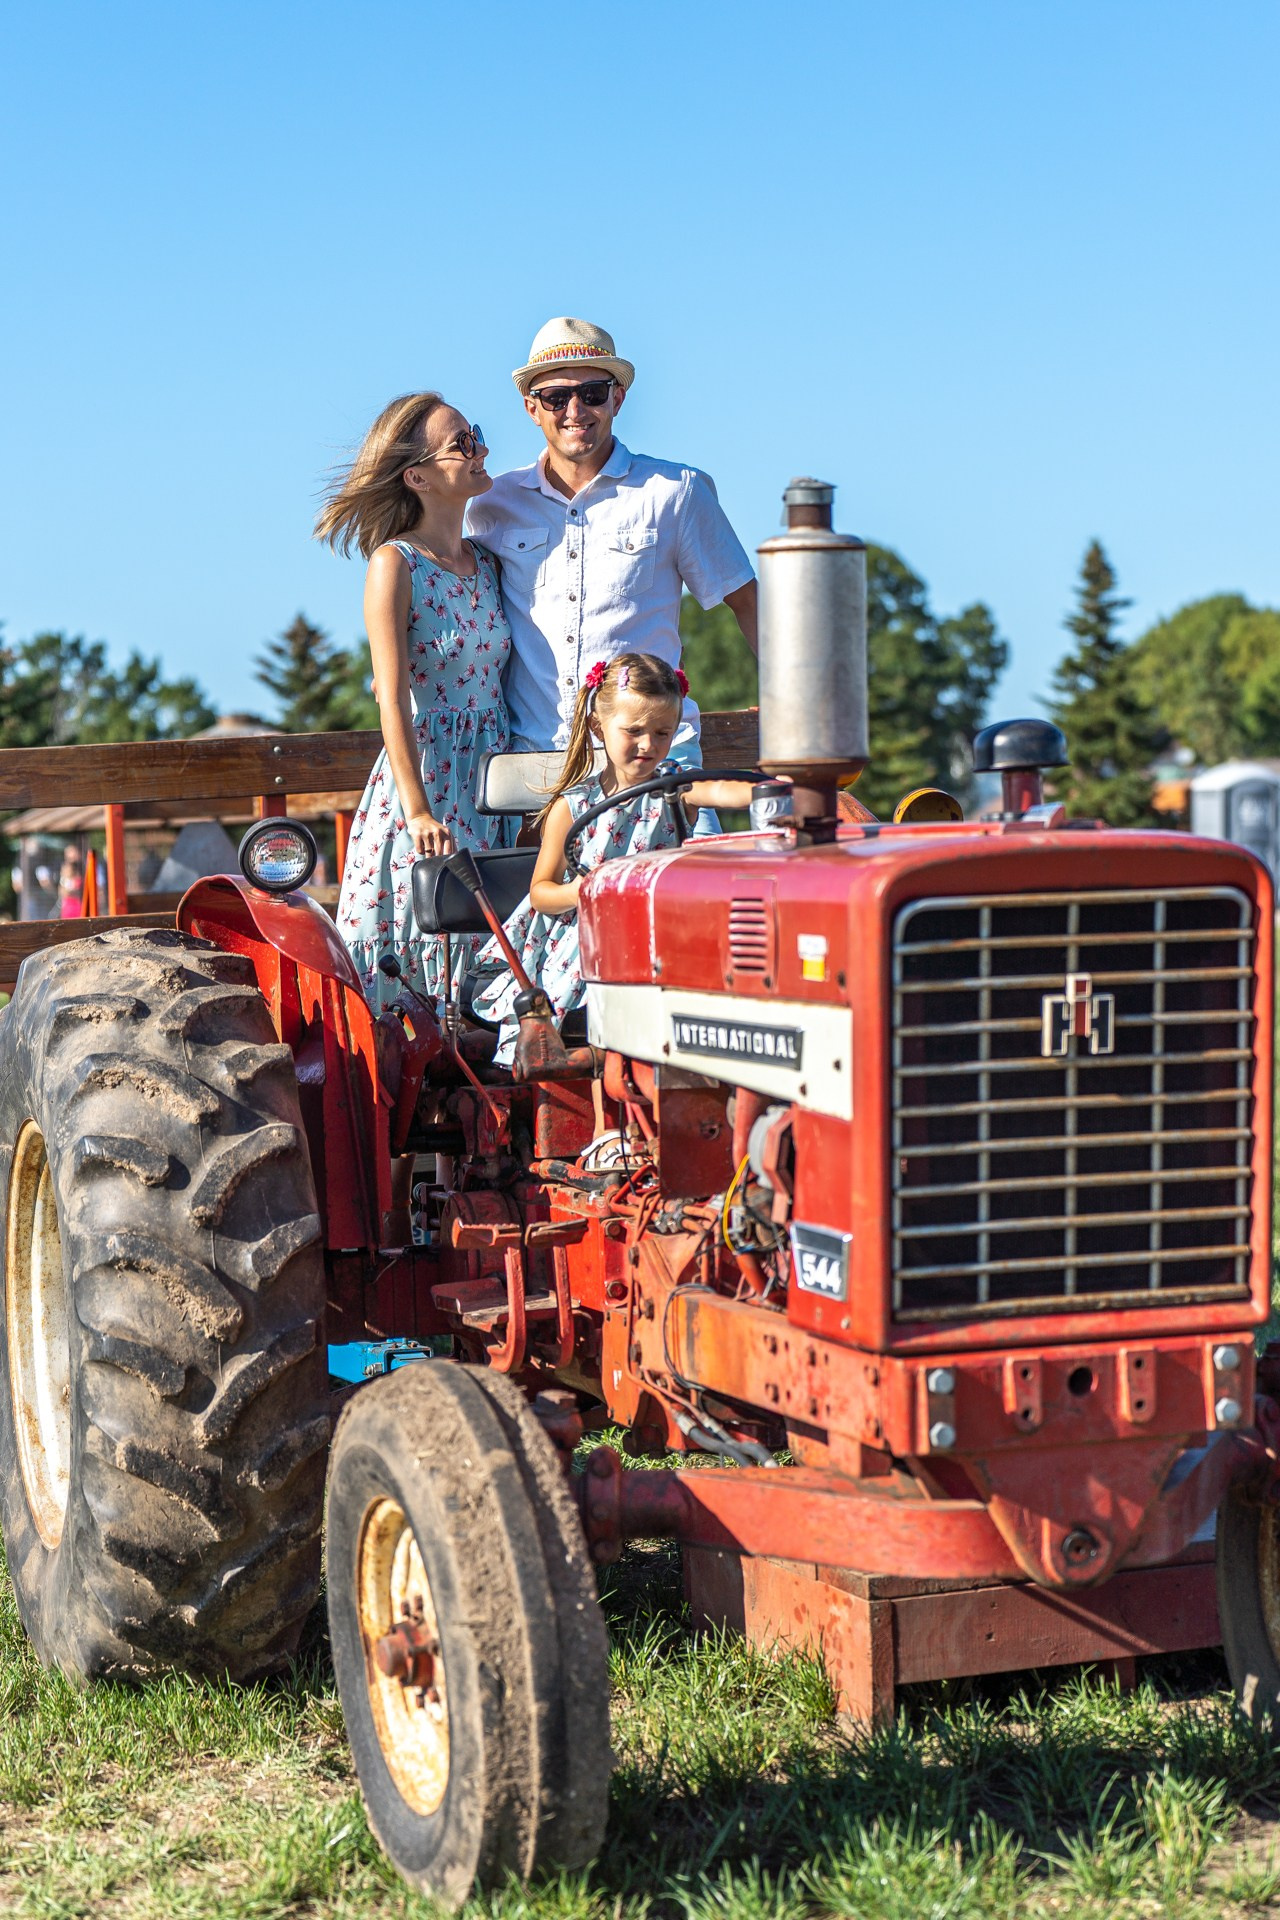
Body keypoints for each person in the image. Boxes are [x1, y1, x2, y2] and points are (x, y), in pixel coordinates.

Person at [466, 318, 757, 796]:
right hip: (534, 768)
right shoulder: (493, 503)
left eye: (593, 392)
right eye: (556, 397)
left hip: (658, 763)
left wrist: (794, 708)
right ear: (530, 408)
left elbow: (749, 604)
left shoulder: (676, 492)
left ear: (618, 398)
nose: (575, 409)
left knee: (688, 870)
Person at [315, 391, 515, 1014]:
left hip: (493, 775)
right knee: (417, 942)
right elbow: (392, 701)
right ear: (419, 476)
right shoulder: (393, 564)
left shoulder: (485, 562)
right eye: (462, 443)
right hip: (426, 779)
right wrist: (419, 809)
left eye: (475, 433)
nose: (480, 449)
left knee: (492, 949)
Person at [470, 653, 753, 1065]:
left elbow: (722, 790)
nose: (648, 745)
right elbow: (541, 892)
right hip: (592, 931)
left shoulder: (675, 787)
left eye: (663, 732)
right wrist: (585, 889)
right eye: (634, 730)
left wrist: (771, 791)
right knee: (605, 973)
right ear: (598, 727)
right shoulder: (574, 805)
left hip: (662, 927)